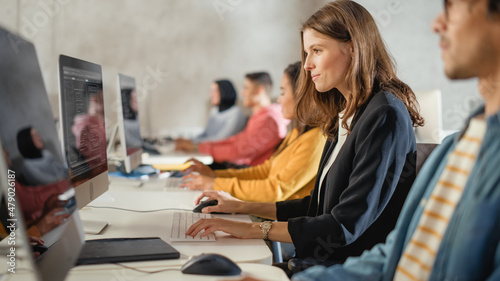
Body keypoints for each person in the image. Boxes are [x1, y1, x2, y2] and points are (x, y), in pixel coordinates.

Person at [186, 0, 423, 275]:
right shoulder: (345, 112)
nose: (307, 65)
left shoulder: (384, 115)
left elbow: (343, 226)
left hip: (342, 270)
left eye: (317, 51)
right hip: (315, 261)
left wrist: (254, 229)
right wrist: (239, 207)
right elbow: (316, 207)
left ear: (354, 47)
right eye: (306, 52)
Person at [282, 0, 500, 280]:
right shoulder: (460, 145)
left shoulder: (385, 113)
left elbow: (345, 226)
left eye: (451, 7)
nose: (436, 24)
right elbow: (396, 255)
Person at [182, 62, 326, 202]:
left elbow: (274, 188)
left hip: (272, 209)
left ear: (302, 94)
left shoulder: (311, 138)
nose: (279, 99)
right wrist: (215, 176)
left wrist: (216, 182)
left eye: (282, 92)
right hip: (259, 195)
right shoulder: (296, 132)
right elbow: (266, 169)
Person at [176, 72, 289, 167]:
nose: (242, 93)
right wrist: (197, 146)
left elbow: (238, 151)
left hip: (246, 171)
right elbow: (236, 140)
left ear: (259, 90)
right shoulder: (260, 116)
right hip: (242, 168)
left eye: (246, 88)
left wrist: (198, 147)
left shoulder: (268, 120)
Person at [177, 80, 247, 145]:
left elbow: (221, 140)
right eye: (211, 91)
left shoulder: (236, 113)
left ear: (225, 91)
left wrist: (192, 142)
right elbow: (206, 134)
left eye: (215, 91)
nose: (211, 95)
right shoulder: (214, 111)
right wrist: (190, 140)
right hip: (208, 150)